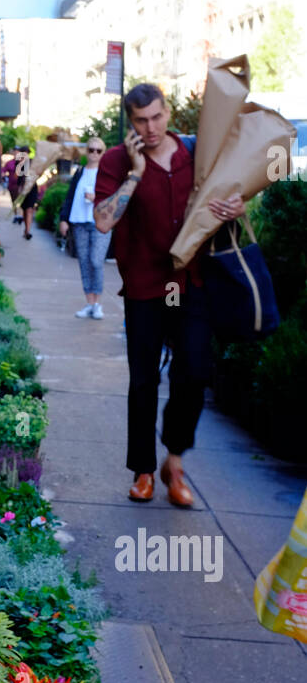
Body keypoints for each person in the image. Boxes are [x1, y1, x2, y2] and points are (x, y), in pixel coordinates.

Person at [93, 82, 244, 507]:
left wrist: (236, 207)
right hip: (144, 286)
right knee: (143, 378)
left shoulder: (195, 152)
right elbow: (104, 221)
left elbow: (234, 195)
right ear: (130, 123)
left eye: (157, 116)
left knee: (194, 371)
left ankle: (173, 461)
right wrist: (136, 173)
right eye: (141, 120)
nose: (151, 126)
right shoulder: (116, 161)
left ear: (168, 112)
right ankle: (143, 469)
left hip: (186, 285)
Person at [59, 138, 111, 317]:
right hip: (79, 221)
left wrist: (95, 197)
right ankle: (89, 302)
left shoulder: (107, 174)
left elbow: (114, 198)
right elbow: (70, 196)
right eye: (91, 150)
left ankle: (98, 304)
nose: (95, 153)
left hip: (100, 223)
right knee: (84, 262)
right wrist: (64, 219)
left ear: (103, 153)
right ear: (86, 152)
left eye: (99, 151)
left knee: (96, 261)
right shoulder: (80, 172)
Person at [14, 145, 39, 239]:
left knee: (29, 209)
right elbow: (17, 176)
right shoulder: (18, 163)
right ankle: (26, 229)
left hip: (32, 188)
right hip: (22, 188)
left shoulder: (33, 162)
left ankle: (28, 231)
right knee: (25, 209)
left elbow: (37, 173)